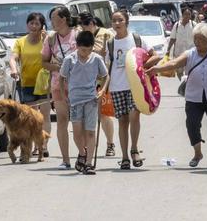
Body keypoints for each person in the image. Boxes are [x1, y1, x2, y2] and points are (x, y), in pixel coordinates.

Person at [148, 22, 207, 168]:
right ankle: (197, 153)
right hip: (194, 97)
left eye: (200, 39)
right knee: (192, 125)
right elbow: (174, 63)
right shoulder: (190, 54)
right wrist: (157, 68)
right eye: (195, 39)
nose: (197, 42)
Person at [105, 10, 160, 170]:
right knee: (122, 121)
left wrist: (144, 66)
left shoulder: (136, 39)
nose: (117, 23)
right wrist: (102, 87)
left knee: (134, 116)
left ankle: (134, 149)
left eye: (120, 20)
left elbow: (155, 56)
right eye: (114, 20)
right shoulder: (110, 44)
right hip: (116, 86)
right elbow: (108, 67)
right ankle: (124, 157)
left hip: (135, 86)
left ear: (126, 21)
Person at [59, 31, 109, 175]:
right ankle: (82, 152)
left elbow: (106, 76)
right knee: (77, 132)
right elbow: (62, 78)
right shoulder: (70, 59)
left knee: (90, 131)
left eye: (88, 50)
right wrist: (64, 95)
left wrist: (102, 91)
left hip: (91, 100)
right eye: (82, 50)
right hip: (74, 101)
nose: (85, 53)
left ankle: (88, 163)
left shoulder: (97, 59)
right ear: (77, 46)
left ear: (92, 47)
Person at [9, 12, 51, 155]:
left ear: (42, 26)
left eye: (37, 24)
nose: (34, 26)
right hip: (26, 83)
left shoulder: (47, 40)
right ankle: (32, 146)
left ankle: (43, 146)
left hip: (44, 83)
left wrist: (46, 40)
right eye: (31, 23)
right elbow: (13, 58)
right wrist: (14, 69)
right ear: (27, 25)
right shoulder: (20, 42)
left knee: (44, 115)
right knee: (30, 117)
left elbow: (53, 55)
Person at [42, 6, 78, 170]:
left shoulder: (78, 35)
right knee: (62, 121)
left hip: (79, 86)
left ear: (63, 19)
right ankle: (66, 159)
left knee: (79, 122)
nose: (52, 22)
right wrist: (57, 68)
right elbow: (43, 62)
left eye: (54, 18)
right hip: (58, 86)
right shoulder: (50, 39)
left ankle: (84, 154)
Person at [79, 12, 116, 157]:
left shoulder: (107, 34)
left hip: (102, 80)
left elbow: (112, 57)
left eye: (86, 25)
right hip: (85, 80)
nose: (84, 28)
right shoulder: (80, 35)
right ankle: (86, 147)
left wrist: (103, 54)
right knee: (84, 116)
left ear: (92, 23)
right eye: (82, 26)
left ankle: (110, 143)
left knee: (103, 114)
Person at [166, 8, 196, 80]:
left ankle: (186, 85)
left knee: (189, 71)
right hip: (178, 53)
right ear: (182, 15)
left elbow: (198, 37)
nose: (187, 16)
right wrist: (168, 50)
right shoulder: (176, 25)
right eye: (185, 14)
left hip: (191, 53)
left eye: (189, 14)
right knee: (179, 71)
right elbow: (173, 38)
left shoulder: (193, 24)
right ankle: (183, 82)